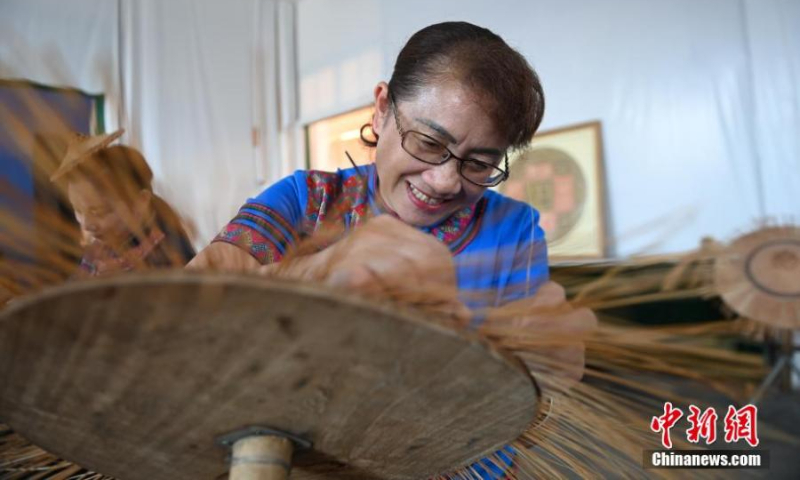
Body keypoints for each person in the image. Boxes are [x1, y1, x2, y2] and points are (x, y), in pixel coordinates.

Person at [189, 21, 595, 479]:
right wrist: (318, 273)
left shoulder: (513, 230)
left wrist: (547, 372)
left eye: (479, 164)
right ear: (382, 109)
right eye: (427, 142)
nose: (444, 180)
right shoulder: (306, 201)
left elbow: (524, 401)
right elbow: (181, 307)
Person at [52, 130, 196, 276]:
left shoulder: (169, 251)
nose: (87, 224)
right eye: (78, 211)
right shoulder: (99, 248)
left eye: (99, 212)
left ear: (141, 201)